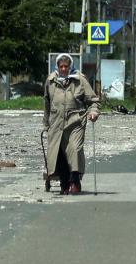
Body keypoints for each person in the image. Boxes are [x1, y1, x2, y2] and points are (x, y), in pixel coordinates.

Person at [43, 53, 100, 195]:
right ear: (57, 66)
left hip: (76, 120)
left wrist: (94, 112)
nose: (63, 69)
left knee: (74, 149)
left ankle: (75, 181)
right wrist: (46, 124)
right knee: (59, 153)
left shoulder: (80, 80)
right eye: (61, 66)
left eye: (66, 66)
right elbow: (47, 104)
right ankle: (64, 183)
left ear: (70, 67)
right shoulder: (51, 80)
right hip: (56, 122)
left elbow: (93, 100)